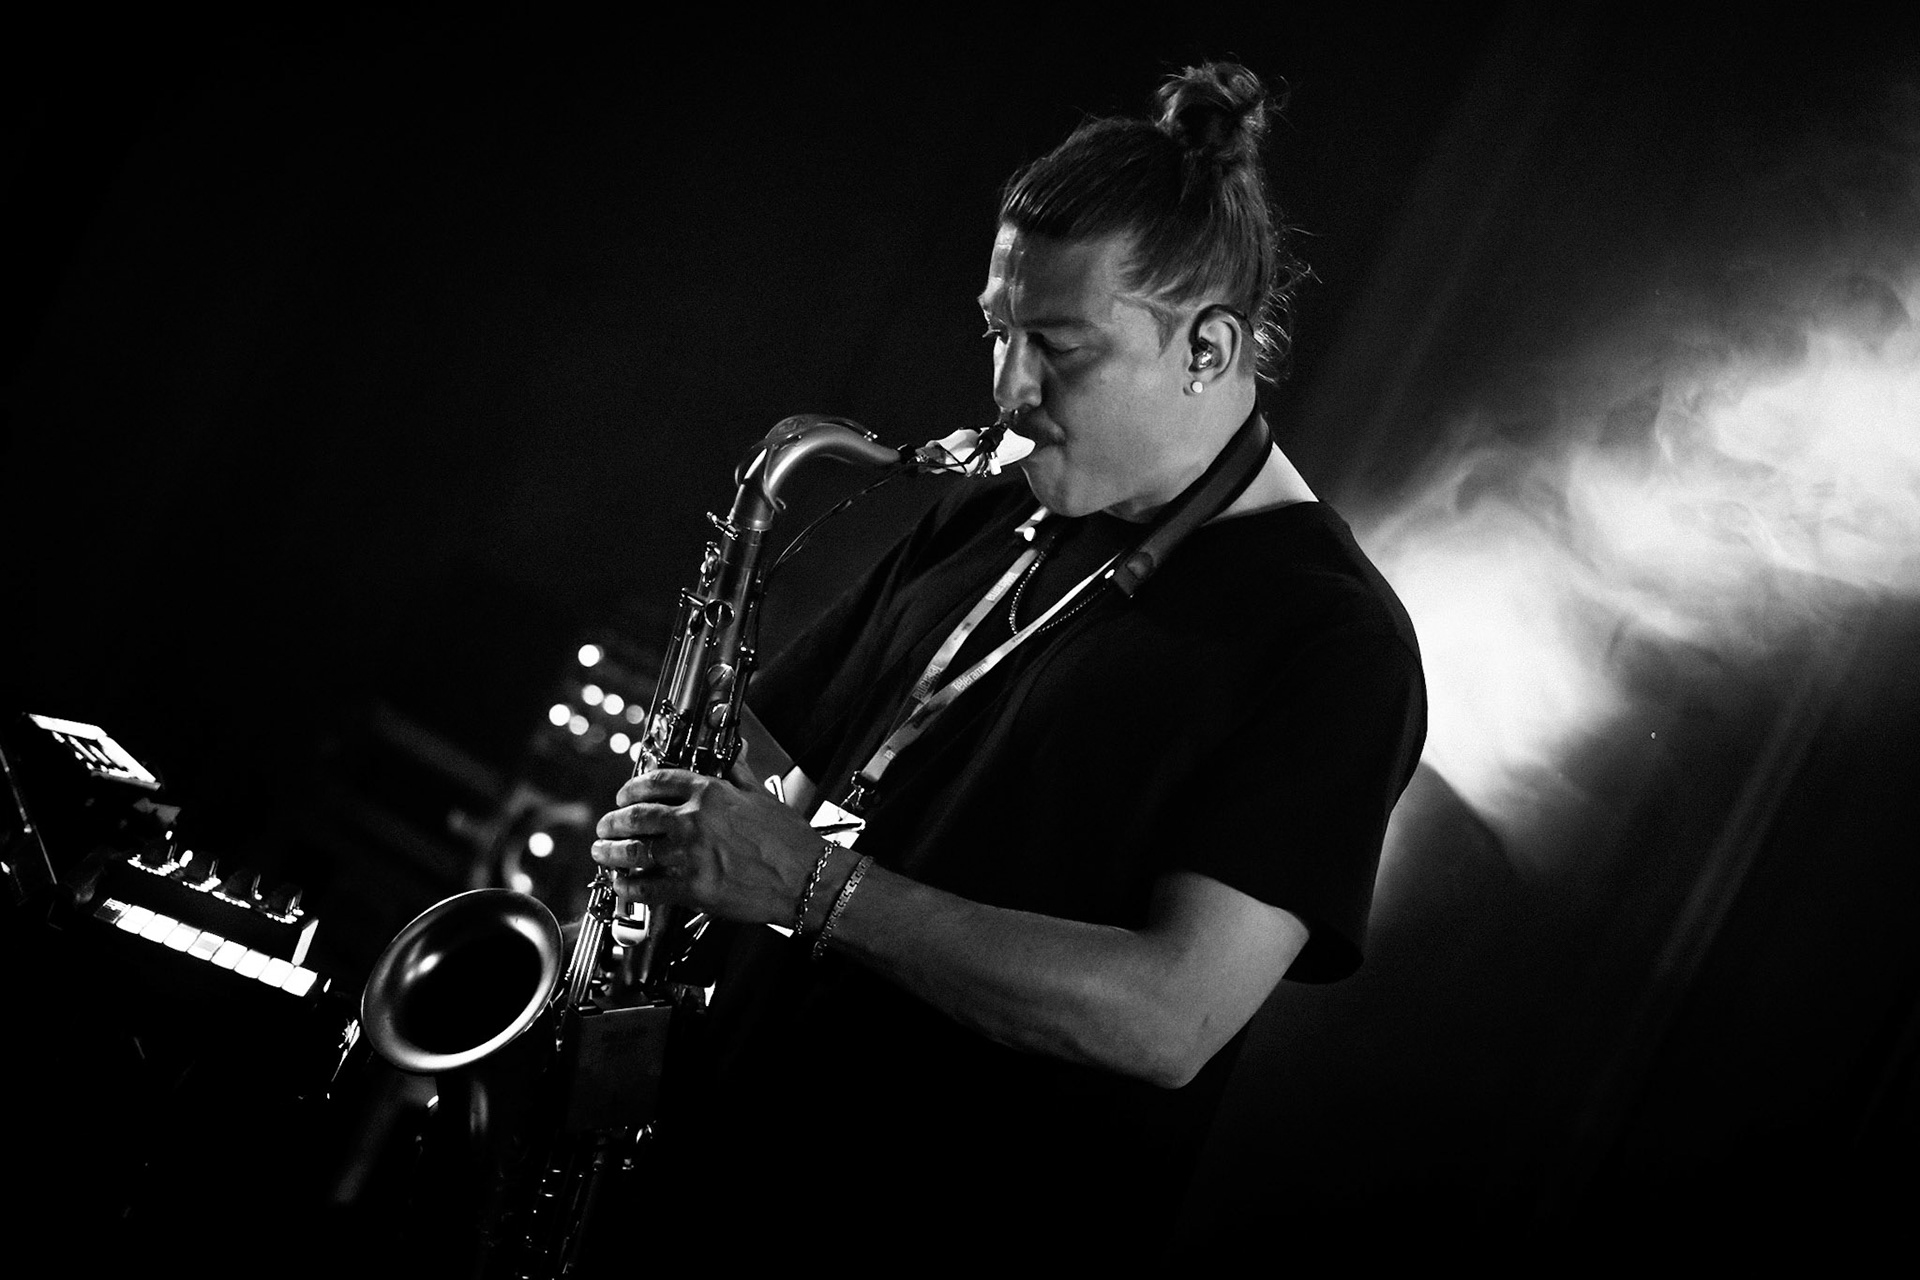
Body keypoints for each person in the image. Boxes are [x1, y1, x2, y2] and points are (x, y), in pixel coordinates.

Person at [592, 61, 1425, 1265]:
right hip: (723, 1167)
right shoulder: (993, 502)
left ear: (1208, 348)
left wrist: (811, 891)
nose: (1010, 391)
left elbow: (1169, 1014)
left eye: (1060, 348)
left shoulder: (1336, 644)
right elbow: (796, 766)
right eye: (998, 333)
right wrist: (694, 817)